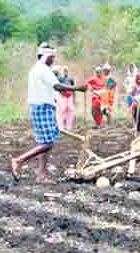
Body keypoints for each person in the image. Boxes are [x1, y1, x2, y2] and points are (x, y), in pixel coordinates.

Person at [10, 45, 86, 183]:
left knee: (45, 142)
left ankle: (42, 174)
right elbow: (57, 86)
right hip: (43, 106)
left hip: (42, 106)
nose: (53, 60)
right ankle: (18, 161)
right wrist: (77, 88)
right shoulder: (43, 70)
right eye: (52, 57)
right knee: (48, 143)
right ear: (46, 57)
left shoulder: (37, 69)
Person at [55, 65, 77, 132]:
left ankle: (69, 127)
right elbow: (57, 87)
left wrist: (74, 97)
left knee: (71, 110)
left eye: (66, 70)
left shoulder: (71, 79)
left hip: (69, 96)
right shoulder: (60, 78)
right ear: (62, 71)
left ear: (68, 71)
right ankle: (61, 127)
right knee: (62, 110)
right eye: (64, 70)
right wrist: (59, 95)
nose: (65, 72)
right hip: (62, 96)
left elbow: (74, 88)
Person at [126, 70, 140, 134]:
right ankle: (138, 130)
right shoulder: (134, 86)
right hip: (136, 103)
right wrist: (133, 101)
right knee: (136, 116)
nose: (139, 80)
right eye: (138, 78)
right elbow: (131, 94)